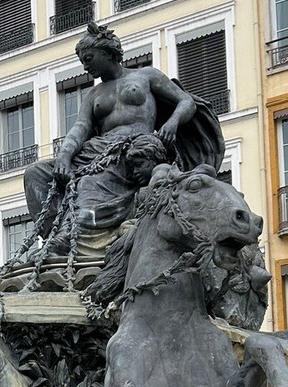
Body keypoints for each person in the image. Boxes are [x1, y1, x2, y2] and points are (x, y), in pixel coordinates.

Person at [23, 22, 224, 243]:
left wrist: (172, 123)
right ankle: (55, 237)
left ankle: (72, 236)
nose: (85, 67)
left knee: (89, 184)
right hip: (97, 150)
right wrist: (64, 156)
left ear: (107, 52)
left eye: (88, 59)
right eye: (82, 62)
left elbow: (186, 101)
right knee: (36, 173)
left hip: (133, 148)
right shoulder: (93, 94)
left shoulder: (145, 76)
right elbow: (81, 127)